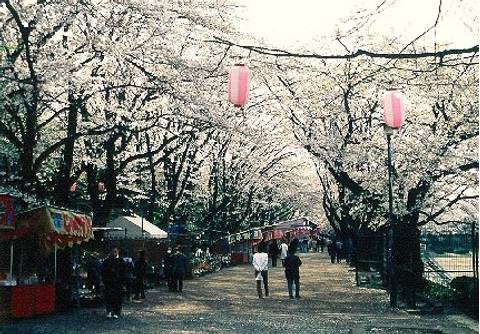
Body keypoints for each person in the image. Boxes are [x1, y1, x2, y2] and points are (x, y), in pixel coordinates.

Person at [101, 247, 126, 319]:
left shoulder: (121, 261)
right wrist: (104, 281)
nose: (113, 253)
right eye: (112, 251)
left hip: (118, 282)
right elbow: (103, 272)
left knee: (117, 298)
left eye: (115, 251)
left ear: (117, 252)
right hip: (109, 282)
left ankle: (116, 312)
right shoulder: (106, 261)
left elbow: (124, 272)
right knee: (109, 297)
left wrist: (123, 282)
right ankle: (109, 311)